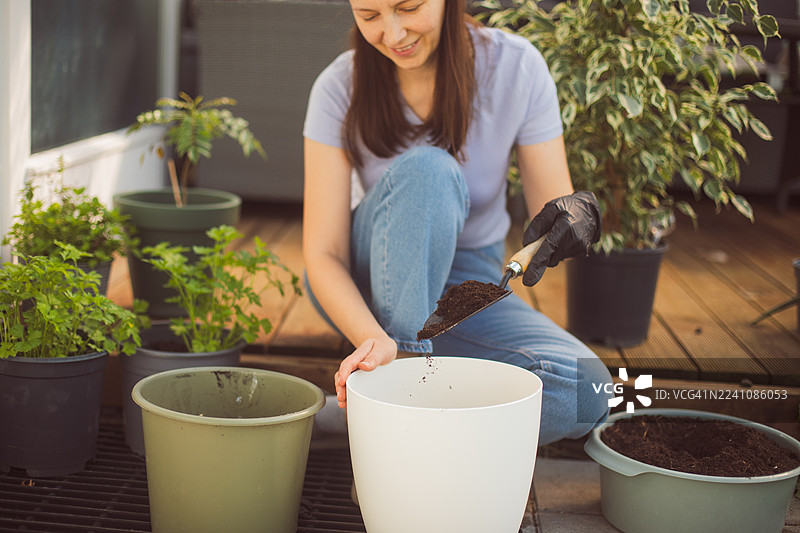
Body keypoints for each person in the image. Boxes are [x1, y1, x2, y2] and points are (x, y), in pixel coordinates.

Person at [302, 0, 612, 445]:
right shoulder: (338, 86)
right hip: (365, 274)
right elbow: (323, 253)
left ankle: (375, 421)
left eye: (408, 8)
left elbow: (554, 214)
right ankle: (400, 404)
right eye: (369, 15)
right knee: (429, 170)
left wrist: (580, 215)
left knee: (585, 391)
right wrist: (376, 340)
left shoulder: (516, 68)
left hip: (466, 280)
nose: (392, 34)